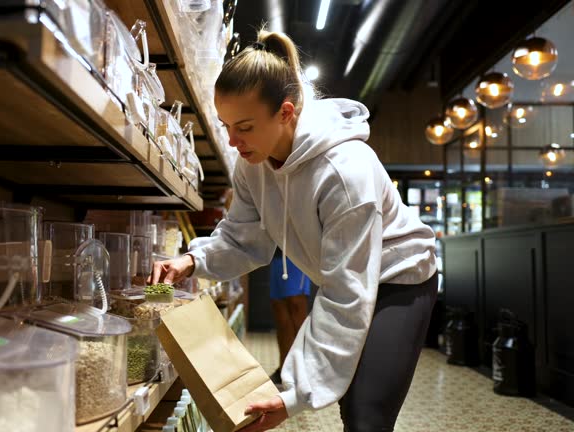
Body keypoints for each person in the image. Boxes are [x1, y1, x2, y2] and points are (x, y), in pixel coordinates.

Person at [148, 29, 437, 432]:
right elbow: (243, 237)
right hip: (342, 275)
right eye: (226, 125)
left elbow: (345, 295)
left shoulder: (345, 171)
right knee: (352, 405)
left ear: (286, 112)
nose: (232, 141)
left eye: (244, 126)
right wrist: (192, 260)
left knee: (365, 412)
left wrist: (294, 396)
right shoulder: (252, 164)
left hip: (400, 278)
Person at [268, 251, 310, 386]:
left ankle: (304, 371)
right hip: (276, 255)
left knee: (296, 309)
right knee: (280, 313)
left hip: (297, 255)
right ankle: (283, 369)